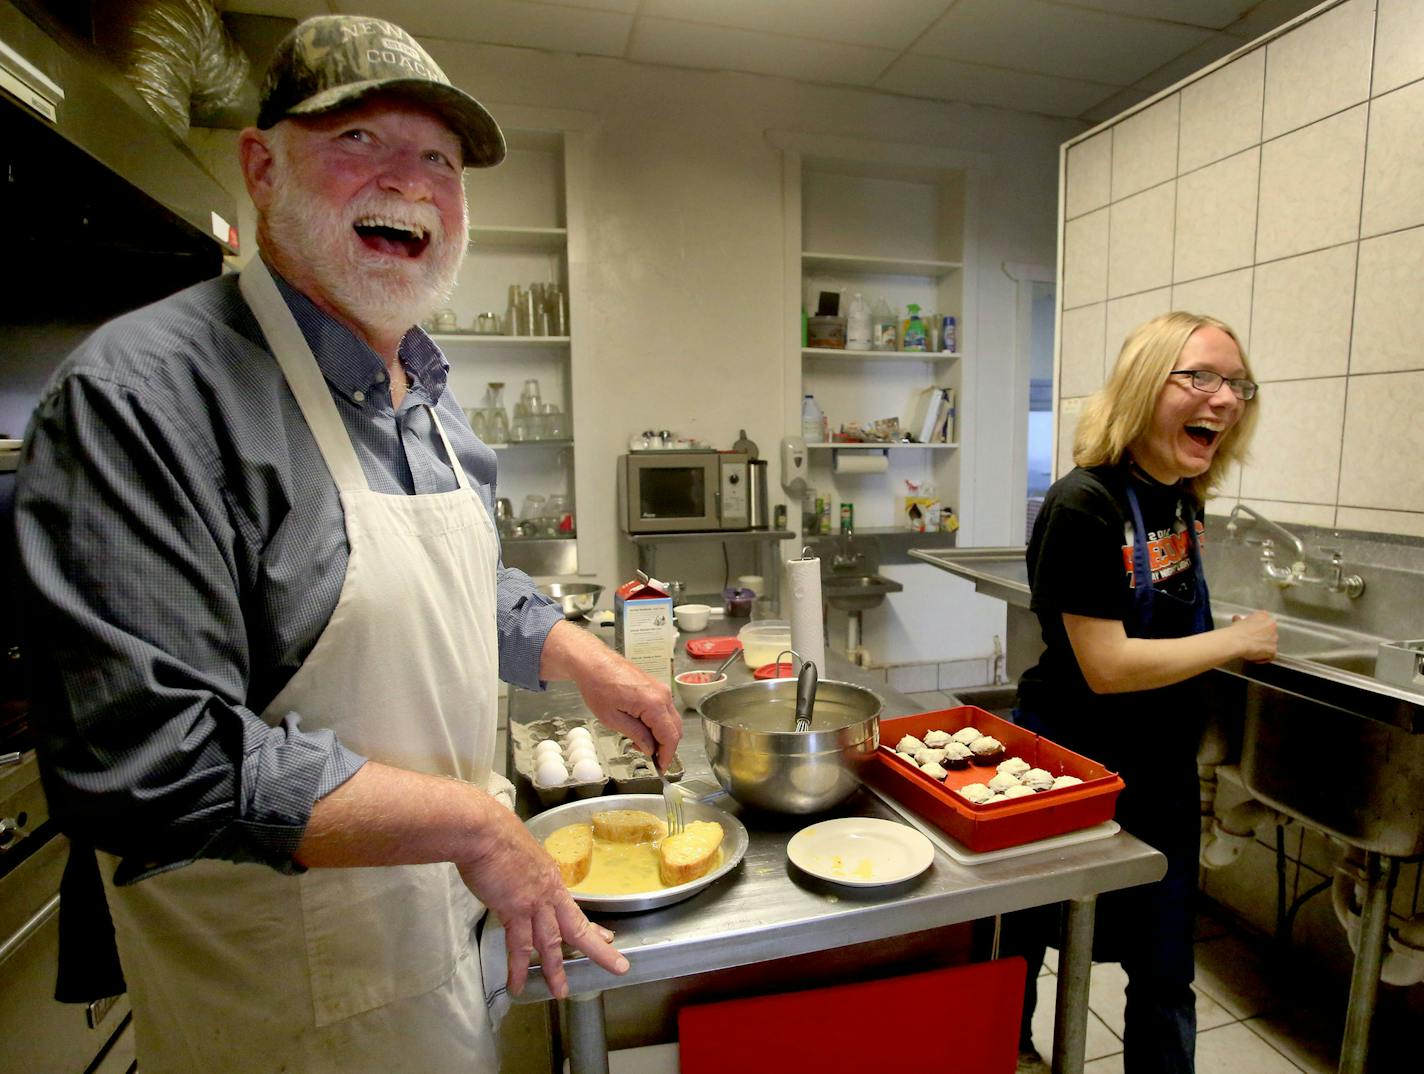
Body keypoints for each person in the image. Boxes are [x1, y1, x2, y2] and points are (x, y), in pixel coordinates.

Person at [16, 16, 680, 1074]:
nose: (408, 182)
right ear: (259, 165)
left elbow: (456, 584)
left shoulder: (434, 401)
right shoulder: (145, 396)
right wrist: (473, 827)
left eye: (439, 160)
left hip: (435, 942)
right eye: (358, 141)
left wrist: (577, 654)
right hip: (281, 989)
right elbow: (149, 761)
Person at [1008, 312, 1278, 1074]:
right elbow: (1108, 665)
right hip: (1066, 765)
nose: (1224, 400)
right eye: (1199, 377)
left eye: (1237, 384)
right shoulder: (1082, 503)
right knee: (1021, 944)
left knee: (1164, 970)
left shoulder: (1182, 499)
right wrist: (1238, 640)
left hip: (1158, 771)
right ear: (1140, 385)